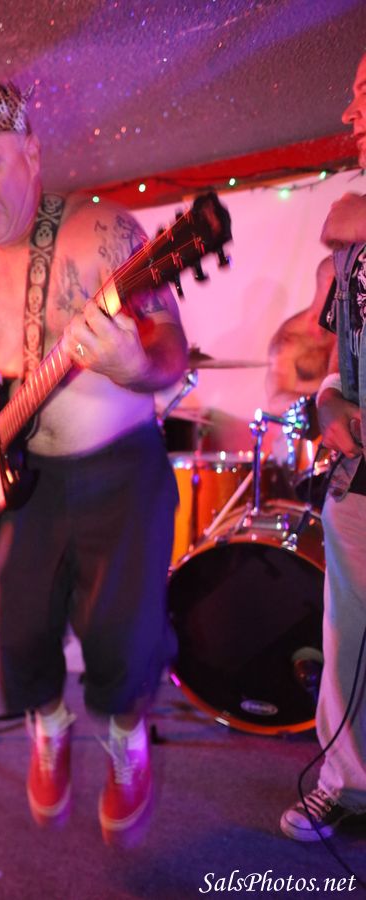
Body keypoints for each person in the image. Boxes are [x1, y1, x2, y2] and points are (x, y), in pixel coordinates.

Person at [0, 74, 188, 845]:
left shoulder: (103, 233)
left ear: (31, 150)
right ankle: (49, 724)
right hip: (23, 482)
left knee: (121, 634)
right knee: (19, 627)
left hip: (120, 471)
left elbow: (171, 351)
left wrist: (132, 364)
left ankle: (125, 742)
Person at [279, 53, 366, 842]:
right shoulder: (349, 232)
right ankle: (348, 787)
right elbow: (332, 350)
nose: (350, 115)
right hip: (360, 476)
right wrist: (328, 398)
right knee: (347, 639)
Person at [265, 255, 337, 415]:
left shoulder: (343, 317)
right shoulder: (289, 342)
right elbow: (275, 402)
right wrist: (323, 401)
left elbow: (327, 270)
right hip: (329, 409)